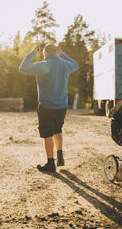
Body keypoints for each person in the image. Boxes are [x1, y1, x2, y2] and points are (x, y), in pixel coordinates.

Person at [19, 44, 78, 172]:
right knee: (58, 130)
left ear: (45, 52)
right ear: (56, 52)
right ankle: (60, 155)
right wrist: (62, 54)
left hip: (46, 106)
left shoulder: (43, 65)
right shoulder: (65, 64)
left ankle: (51, 164)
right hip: (62, 106)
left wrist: (32, 52)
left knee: (47, 134)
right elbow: (76, 65)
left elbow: (22, 68)